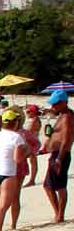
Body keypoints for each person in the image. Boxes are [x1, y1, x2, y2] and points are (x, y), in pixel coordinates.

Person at [0, 109, 29, 231]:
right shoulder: (17, 137)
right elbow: (17, 159)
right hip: (8, 173)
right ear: (15, 123)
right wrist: (27, 152)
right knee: (3, 205)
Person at [44, 89, 71, 222]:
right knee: (50, 185)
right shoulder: (62, 115)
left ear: (64, 103)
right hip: (57, 153)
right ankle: (58, 213)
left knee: (58, 186)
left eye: (55, 104)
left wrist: (60, 158)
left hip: (61, 154)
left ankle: (59, 214)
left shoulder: (67, 117)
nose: (53, 106)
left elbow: (66, 139)